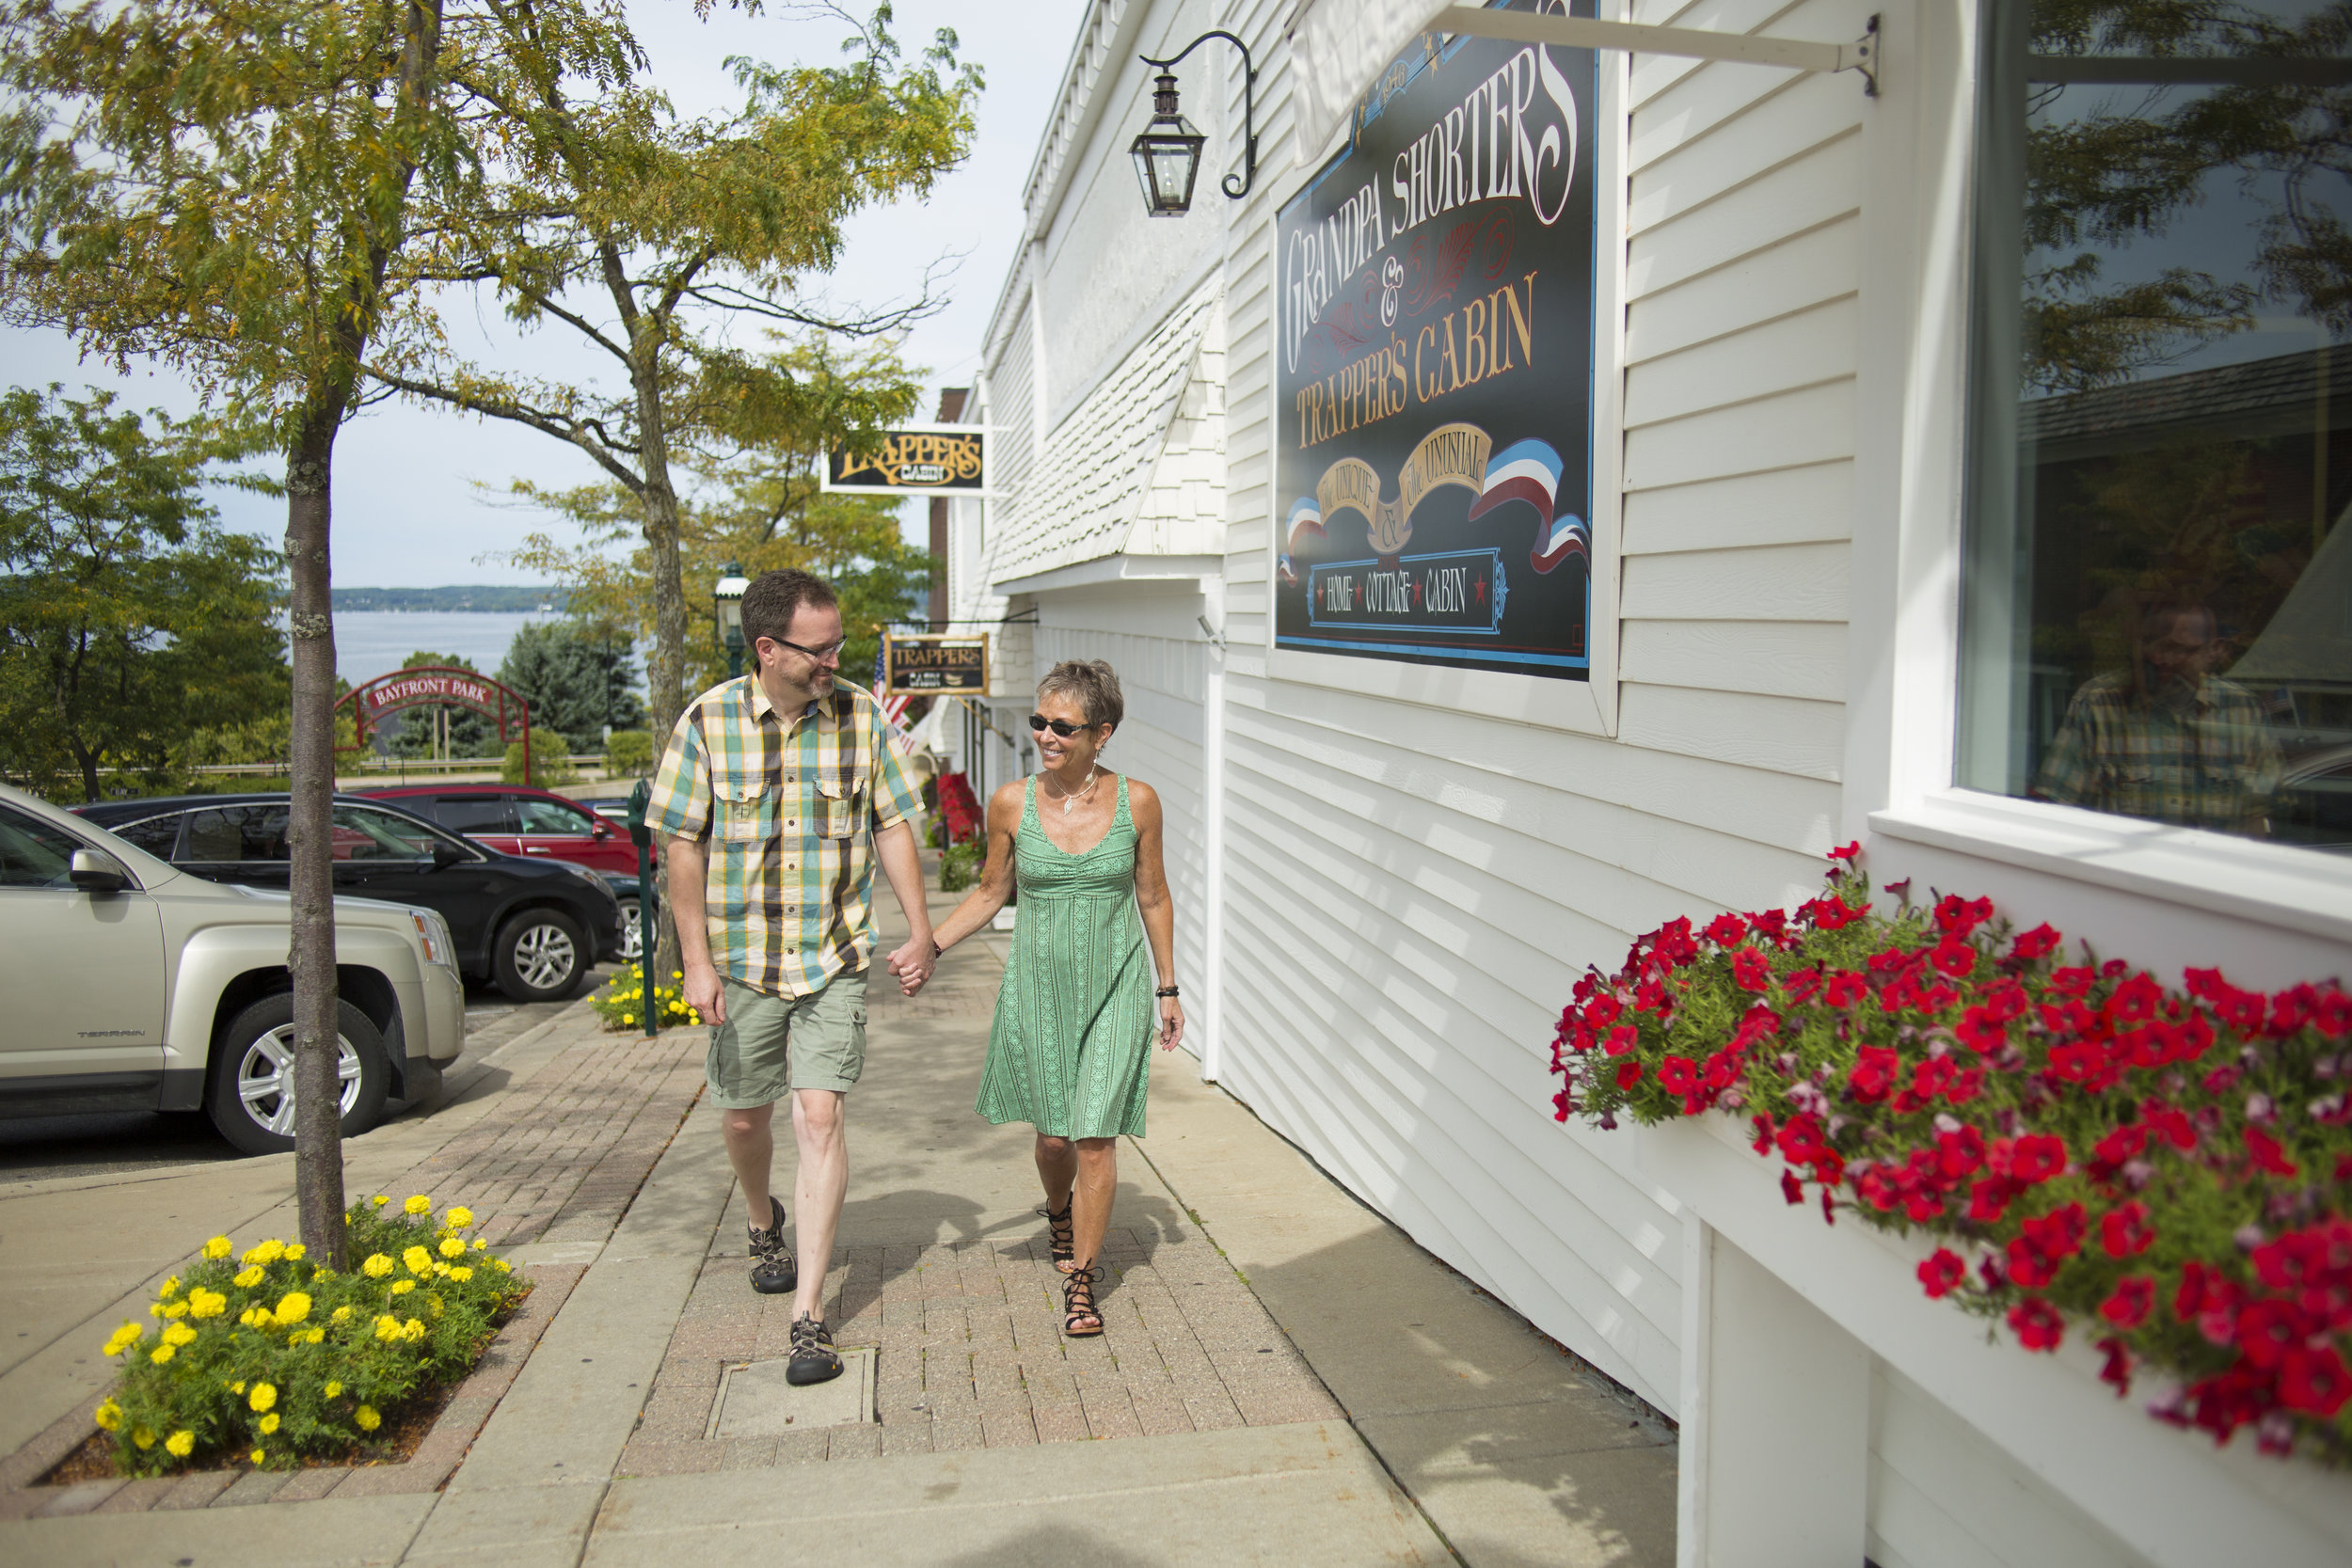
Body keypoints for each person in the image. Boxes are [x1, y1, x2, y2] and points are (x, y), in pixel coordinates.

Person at [646, 568, 936, 1386]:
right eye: (821, 649)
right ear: (768, 648)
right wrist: (694, 960)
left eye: (839, 644)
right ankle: (760, 1215)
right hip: (740, 962)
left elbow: (890, 825)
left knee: (819, 1116)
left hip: (833, 956)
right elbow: (682, 847)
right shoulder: (705, 722)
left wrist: (920, 930)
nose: (834, 662)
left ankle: (808, 1314)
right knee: (745, 1121)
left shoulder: (858, 719)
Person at [930, 659, 1184, 1338]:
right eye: (1039, 721)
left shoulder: (1139, 802)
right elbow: (990, 890)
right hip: (1037, 989)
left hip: (1116, 987)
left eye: (1061, 726)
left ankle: (1082, 1281)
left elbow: (1153, 894)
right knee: (1053, 1138)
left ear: (1102, 733)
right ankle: (1058, 1210)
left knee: (1095, 1139)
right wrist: (930, 944)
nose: (1044, 733)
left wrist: (1168, 986)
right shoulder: (1012, 802)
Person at [2036, 601, 2281, 835]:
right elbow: (2058, 809)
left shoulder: (2241, 709)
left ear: (2215, 651)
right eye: (2149, 644)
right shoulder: (2100, 702)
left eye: (2177, 649)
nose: (2158, 658)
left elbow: (2258, 817)